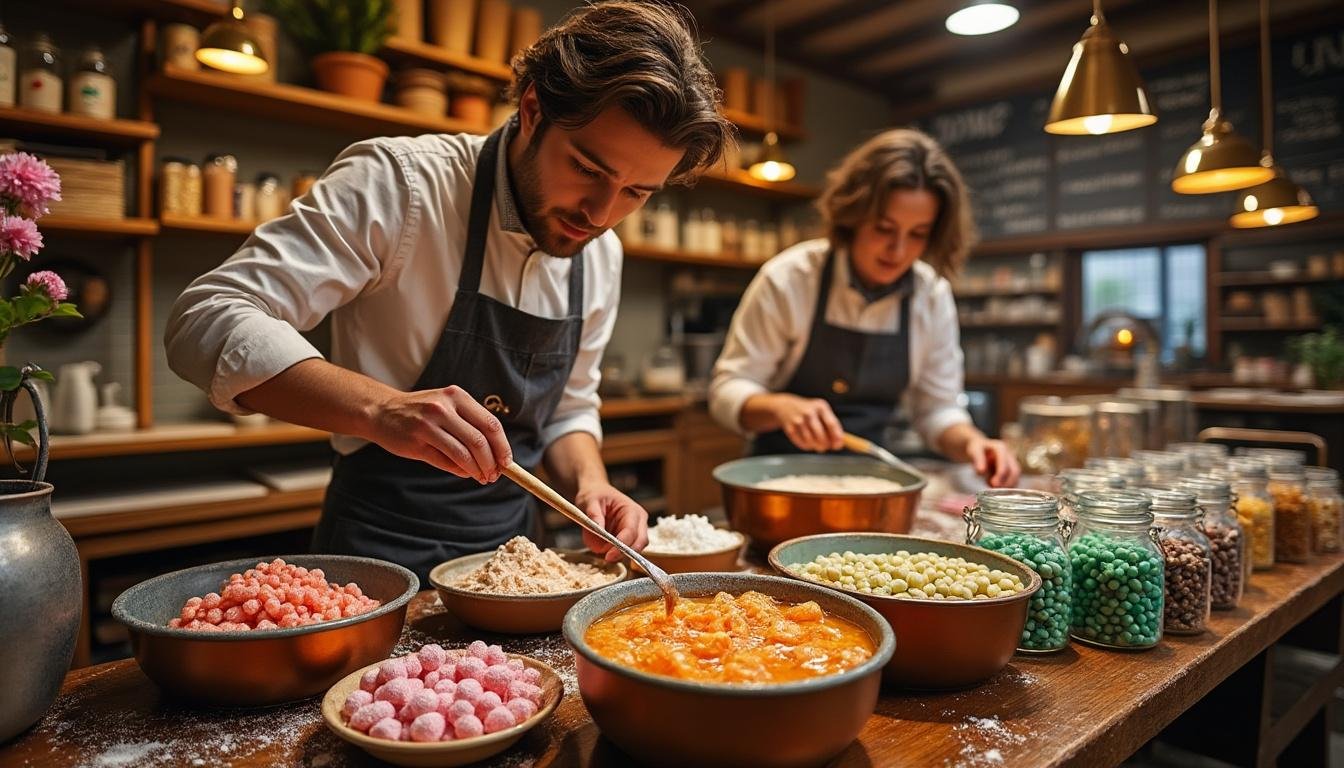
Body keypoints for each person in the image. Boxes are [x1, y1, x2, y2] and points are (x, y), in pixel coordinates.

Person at [164, 1, 734, 582]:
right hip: (379, 554)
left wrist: (591, 481)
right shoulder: (403, 185)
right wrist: (382, 411)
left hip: (515, 565)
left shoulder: (602, 254)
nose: (600, 213)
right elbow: (206, 318)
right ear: (533, 110)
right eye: (588, 168)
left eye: (637, 192)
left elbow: (569, 407)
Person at [708, 128, 1020, 487]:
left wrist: (974, 444)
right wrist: (781, 408)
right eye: (885, 228)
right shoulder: (791, 278)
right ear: (853, 215)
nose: (898, 250)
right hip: (777, 482)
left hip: (870, 483)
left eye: (917, 234)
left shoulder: (930, 296)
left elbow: (938, 410)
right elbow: (728, 389)